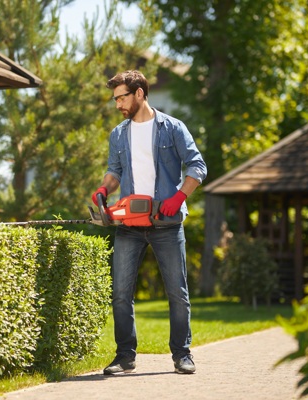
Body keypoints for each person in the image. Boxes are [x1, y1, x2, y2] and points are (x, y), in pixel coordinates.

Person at [91, 70, 207, 375]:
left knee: (176, 292)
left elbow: (197, 165)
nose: (117, 104)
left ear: (139, 93)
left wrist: (179, 197)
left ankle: (182, 353)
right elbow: (114, 172)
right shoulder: (118, 134)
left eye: (122, 97)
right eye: (115, 98)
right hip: (130, 224)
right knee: (120, 293)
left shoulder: (172, 128)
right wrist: (104, 188)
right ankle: (125, 356)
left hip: (167, 224)